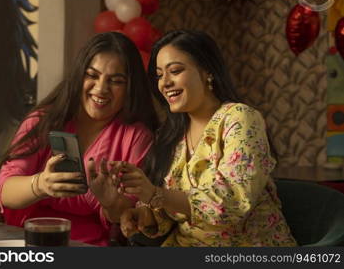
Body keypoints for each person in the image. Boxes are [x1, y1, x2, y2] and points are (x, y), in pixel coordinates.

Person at [117, 30, 297, 246]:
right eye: (159, 75)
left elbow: (232, 202)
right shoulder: (171, 135)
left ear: (207, 71)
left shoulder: (240, 118)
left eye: (175, 70)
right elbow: (173, 213)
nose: (164, 82)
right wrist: (144, 214)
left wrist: (157, 194)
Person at [0, 32, 157, 246]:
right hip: (29, 241)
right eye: (92, 75)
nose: (101, 88)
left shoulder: (136, 137)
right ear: (79, 76)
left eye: (116, 81)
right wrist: (41, 185)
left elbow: (129, 216)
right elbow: (5, 189)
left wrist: (110, 203)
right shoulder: (44, 119)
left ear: (130, 88)